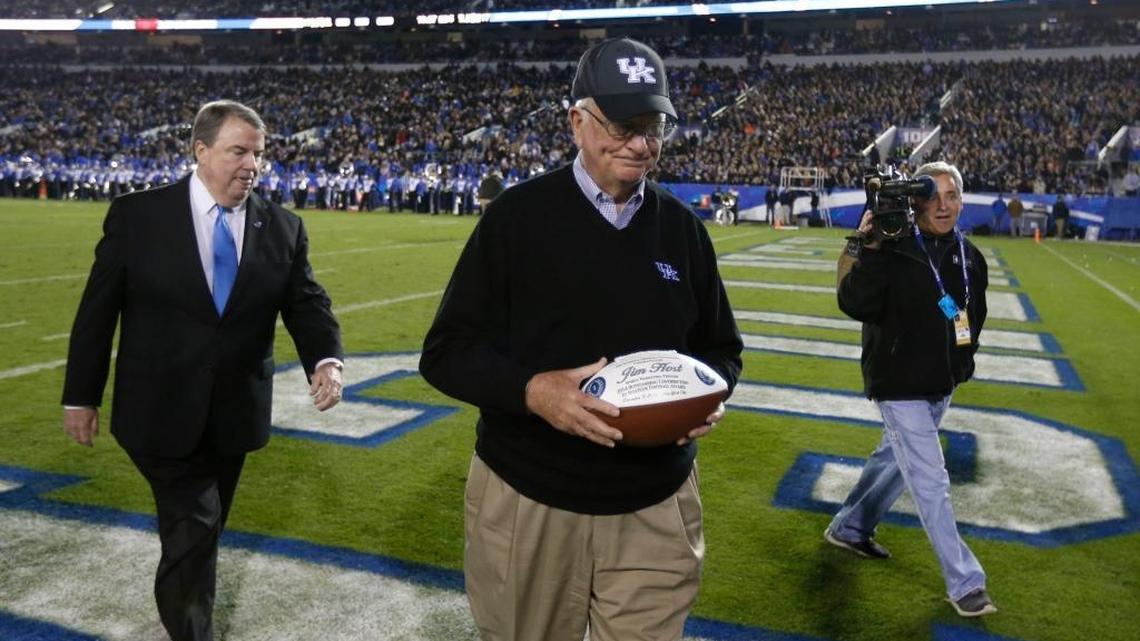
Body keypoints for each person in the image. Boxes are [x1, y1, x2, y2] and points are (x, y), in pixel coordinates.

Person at [419, 38, 743, 641]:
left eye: (654, 127)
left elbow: (723, 349)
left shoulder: (683, 231)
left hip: (656, 503)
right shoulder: (515, 219)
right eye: (623, 125)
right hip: (529, 499)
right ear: (577, 121)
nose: (641, 144)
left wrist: (706, 394)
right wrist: (533, 391)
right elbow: (445, 353)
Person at [61, 100, 345, 641]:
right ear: (200, 150)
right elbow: (97, 311)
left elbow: (307, 303)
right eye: (239, 151)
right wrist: (80, 396)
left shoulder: (282, 226)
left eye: (258, 154)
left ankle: (186, 610)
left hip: (234, 413)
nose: (252, 165)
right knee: (195, 523)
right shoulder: (138, 216)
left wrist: (326, 360)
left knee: (202, 529)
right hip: (157, 409)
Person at [823, 161, 996, 618]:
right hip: (898, 382)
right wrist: (870, 244)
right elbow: (853, 302)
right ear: (915, 200)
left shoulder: (967, 255)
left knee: (894, 460)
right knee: (929, 477)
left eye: (953, 195)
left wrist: (963, 362)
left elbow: (971, 317)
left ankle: (851, 527)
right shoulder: (893, 247)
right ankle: (965, 582)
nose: (944, 205)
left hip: (941, 382)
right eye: (933, 195)